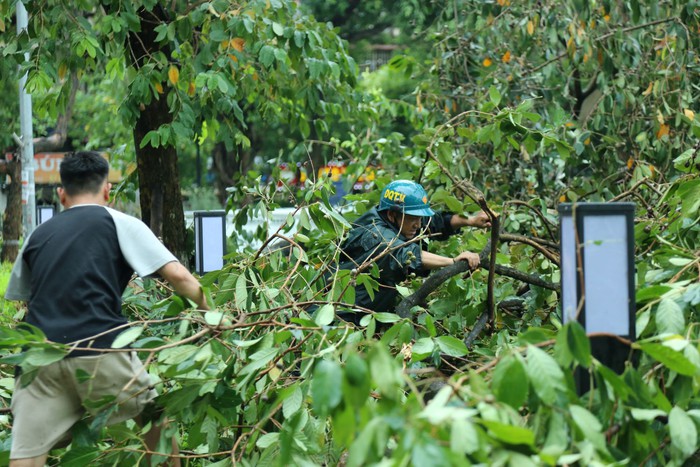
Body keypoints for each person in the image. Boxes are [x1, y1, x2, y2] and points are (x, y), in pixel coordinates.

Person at [4, 151, 209, 466]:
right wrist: (213, 314)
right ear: (107, 192)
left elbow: (24, 300)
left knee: (26, 456)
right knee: (157, 426)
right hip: (102, 350)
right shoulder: (119, 222)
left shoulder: (37, 235)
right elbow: (180, 276)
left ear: (61, 194)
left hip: (40, 357)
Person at [335, 179, 490, 322]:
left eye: (419, 218)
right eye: (413, 219)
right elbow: (403, 253)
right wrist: (453, 261)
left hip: (368, 314)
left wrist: (470, 221)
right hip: (340, 317)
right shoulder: (376, 235)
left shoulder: (402, 219)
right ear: (391, 214)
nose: (418, 225)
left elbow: (434, 222)